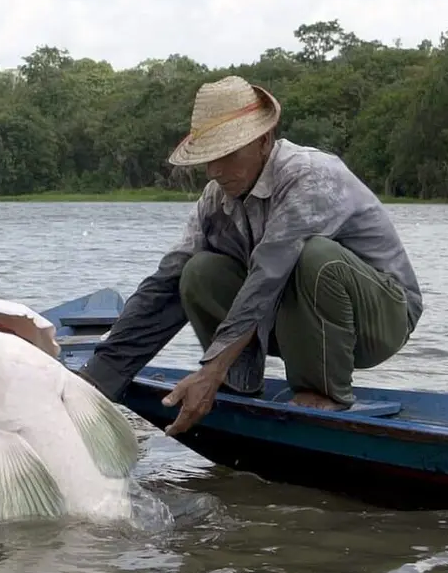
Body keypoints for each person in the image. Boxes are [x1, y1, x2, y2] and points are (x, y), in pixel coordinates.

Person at [78, 76, 423, 437]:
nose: (214, 171)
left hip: (381, 317)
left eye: (226, 156)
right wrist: (96, 378)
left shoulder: (309, 176)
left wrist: (209, 369)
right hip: (295, 317)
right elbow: (164, 285)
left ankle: (322, 391)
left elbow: (267, 277)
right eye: (209, 159)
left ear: (263, 140)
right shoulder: (217, 199)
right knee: (195, 271)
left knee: (312, 256)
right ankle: (237, 380)